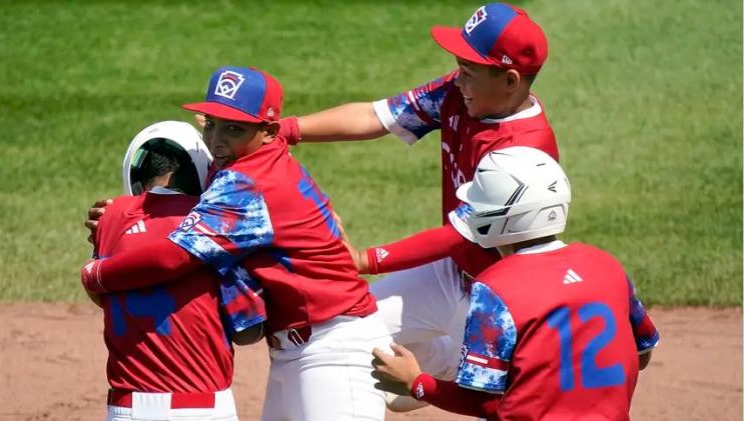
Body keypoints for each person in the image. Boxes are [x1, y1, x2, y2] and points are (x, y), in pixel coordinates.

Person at [277, 2, 558, 411]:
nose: (456, 79)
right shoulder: (460, 94)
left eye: (469, 71)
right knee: (350, 333)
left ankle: (451, 366)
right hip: (450, 271)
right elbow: (377, 117)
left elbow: (459, 233)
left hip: (501, 297)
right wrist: (285, 131)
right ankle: (445, 362)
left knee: (507, 407)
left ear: (511, 80)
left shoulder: (523, 150)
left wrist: (364, 260)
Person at [82, 66, 393, 421]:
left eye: (234, 129)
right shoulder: (262, 158)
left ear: (270, 131)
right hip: (295, 352)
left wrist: (97, 274)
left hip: (333, 351)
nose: (216, 141)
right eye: (212, 124)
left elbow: (173, 256)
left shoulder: (247, 183)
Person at [370, 146, 660, 419]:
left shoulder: (496, 286)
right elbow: (642, 352)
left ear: (496, 219)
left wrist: (416, 382)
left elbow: (483, 401)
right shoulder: (606, 265)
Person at [89, 120, 263, 421]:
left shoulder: (109, 217)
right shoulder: (216, 225)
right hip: (203, 408)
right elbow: (248, 332)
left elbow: (102, 295)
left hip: (126, 409)